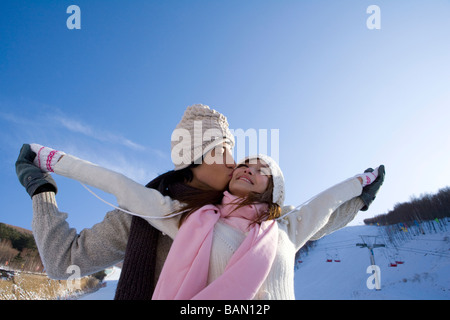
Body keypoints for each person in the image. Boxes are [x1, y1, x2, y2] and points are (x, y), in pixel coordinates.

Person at [15, 105, 385, 299]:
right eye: (224, 151)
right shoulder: (144, 215)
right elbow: (64, 261)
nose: (234, 162)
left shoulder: (261, 219)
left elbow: (312, 222)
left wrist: (359, 199)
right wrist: (41, 191)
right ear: (196, 157)